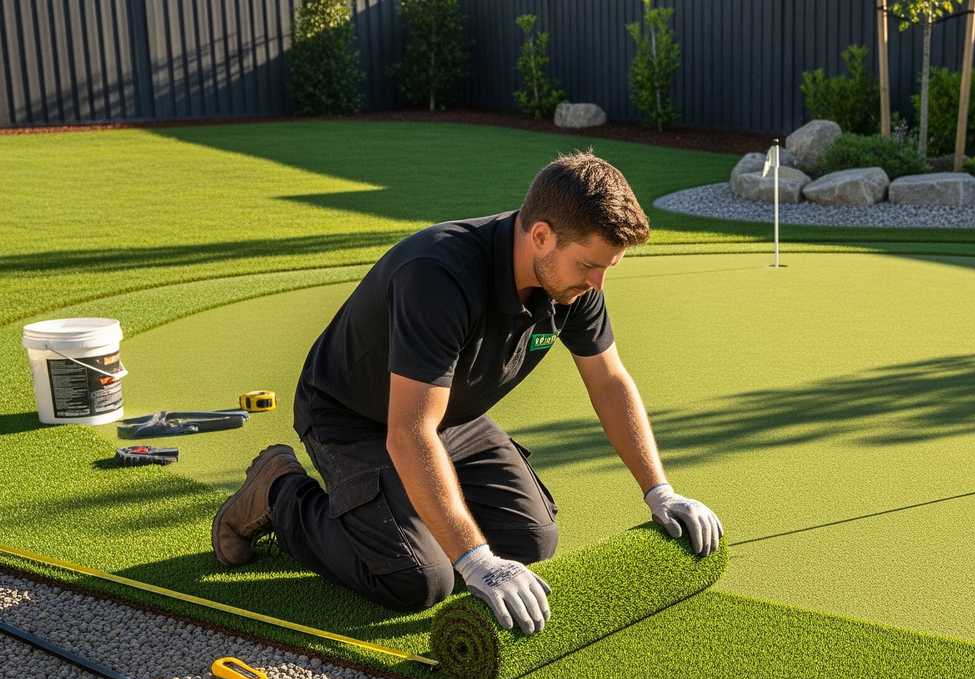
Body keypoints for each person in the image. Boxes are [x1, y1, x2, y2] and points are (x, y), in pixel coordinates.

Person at [211, 151, 722, 636]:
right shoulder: (439, 275)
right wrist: (475, 560)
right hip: (354, 415)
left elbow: (609, 382)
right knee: (420, 579)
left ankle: (415, 519)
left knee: (531, 540)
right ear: (541, 235)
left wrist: (661, 492)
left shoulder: (575, 284)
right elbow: (409, 432)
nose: (598, 284)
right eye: (590, 266)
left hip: (451, 414)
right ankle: (279, 493)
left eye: (608, 268)